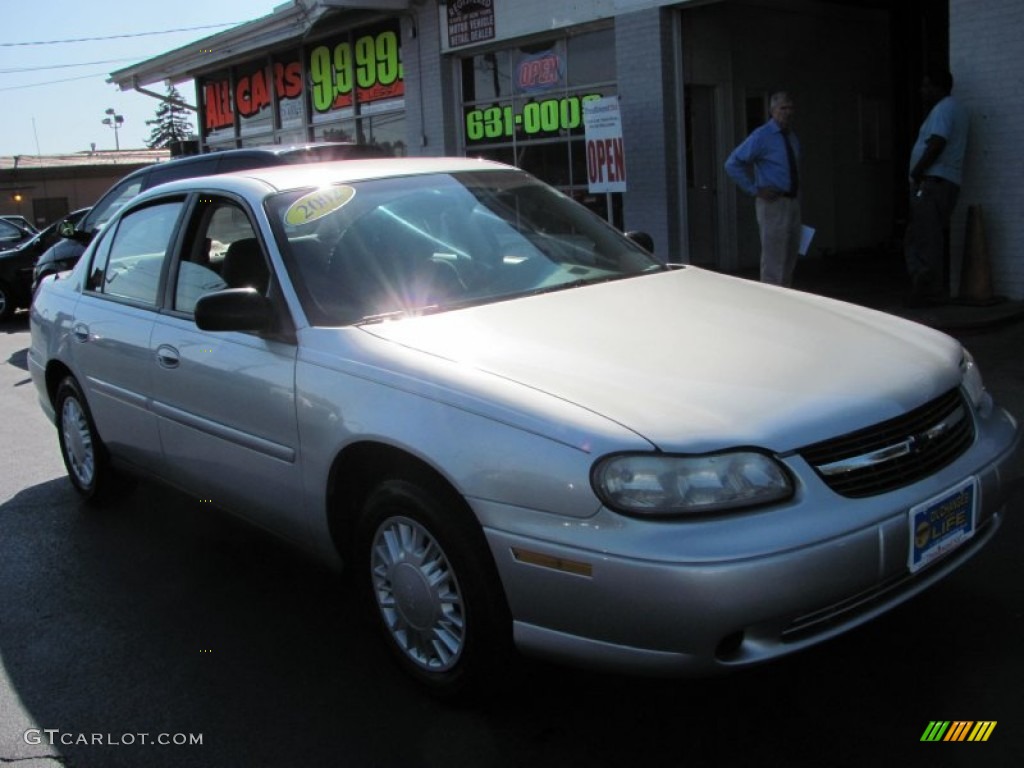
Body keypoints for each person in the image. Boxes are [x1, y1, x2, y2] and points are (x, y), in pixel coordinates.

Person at [904, 70, 970, 305]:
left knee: (923, 238)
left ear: (938, 88)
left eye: (926, 86)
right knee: (925, 235)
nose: (922, 91)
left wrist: (917, 171)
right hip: (945, 183)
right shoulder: (957, 109)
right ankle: (927, 285)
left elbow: (937, 142)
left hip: (933, 183)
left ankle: (927, 290)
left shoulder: (943, 109)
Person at [725, 91, 802, 286]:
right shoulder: (762, 136)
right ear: (773, 111)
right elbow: (733, 163)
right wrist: (754, 189)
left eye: (790, 108)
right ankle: (772, 301)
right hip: (773, 202)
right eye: (783, 108)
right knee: (774, 256)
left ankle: (786, 298)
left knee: (790, 254)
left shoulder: (791, 137)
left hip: (792, 201)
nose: (787, 112)